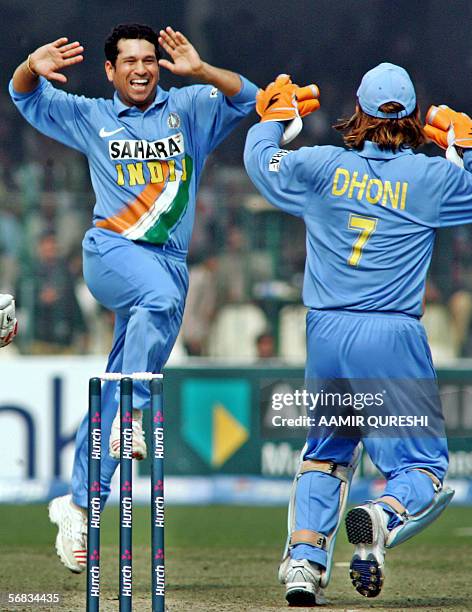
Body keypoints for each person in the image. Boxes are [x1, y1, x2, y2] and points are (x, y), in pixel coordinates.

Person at [244, 67, 472, 605]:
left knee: (326, 454)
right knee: (421, 469)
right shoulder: (430, 177)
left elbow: (261, 164)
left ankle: (303, 562)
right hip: (390, 334)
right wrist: (469, 143)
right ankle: (382, 515)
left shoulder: (321, 165)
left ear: (358, 112)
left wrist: (271, 121)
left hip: (326, 331)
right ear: (412, 118)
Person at [10, 22, 258, 573]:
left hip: (167, 269)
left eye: (149, 59)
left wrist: (203, 71)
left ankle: (76, 503)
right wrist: (31, 64)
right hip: (111, 253)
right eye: (130, 61)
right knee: (150, 333)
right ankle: (132, 417)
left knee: (118, 387)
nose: (142, 69)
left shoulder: (191, 106)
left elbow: (254, 100)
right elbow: (22, 93)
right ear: (110, 70)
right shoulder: (91, 115)